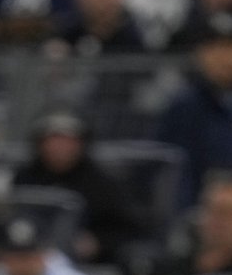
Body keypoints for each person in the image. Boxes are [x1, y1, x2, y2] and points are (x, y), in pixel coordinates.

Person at [155, 10, 232, 210]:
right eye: (217, 48)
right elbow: (175, 175)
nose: (226, 57)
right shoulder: (186, 106)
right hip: (199, 216)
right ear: (200, 54)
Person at [12, 111, 145, 264]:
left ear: (81, 143)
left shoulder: (102, 183)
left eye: (68, 140)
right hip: (28, 259)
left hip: (88, 266)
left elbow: (130, 229)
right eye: (53, 140)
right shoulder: (24, 177)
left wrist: (98, 242)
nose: (59, 147)